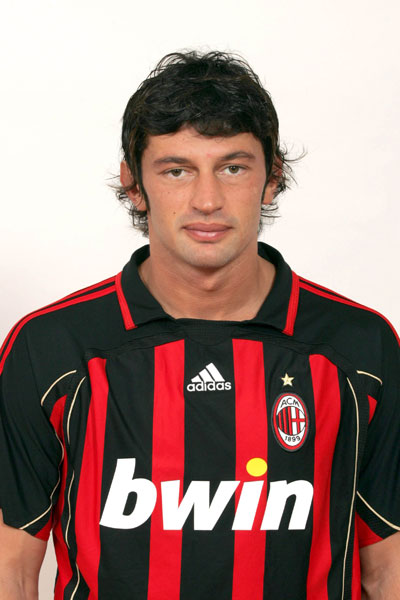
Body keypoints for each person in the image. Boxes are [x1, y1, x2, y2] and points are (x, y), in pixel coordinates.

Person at [0, 51, 399, 600]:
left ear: (272, 178)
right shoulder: (52, 348)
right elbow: (12, 570)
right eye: (176, 170)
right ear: (134, 183)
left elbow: (389, 568)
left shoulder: (359, 347)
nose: (207, 200)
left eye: (233, 167)